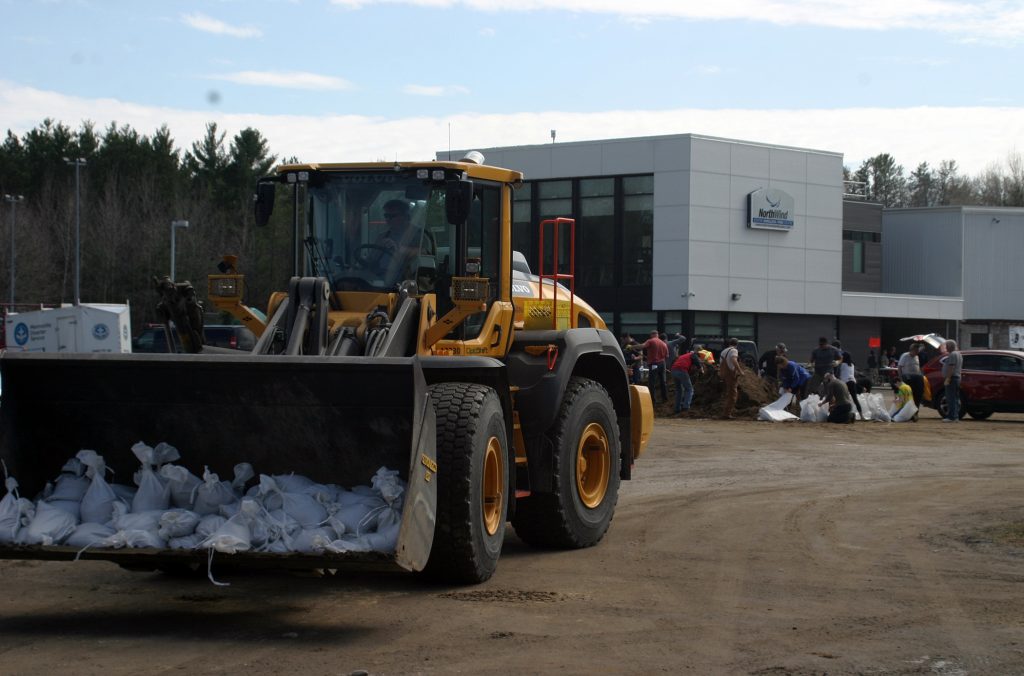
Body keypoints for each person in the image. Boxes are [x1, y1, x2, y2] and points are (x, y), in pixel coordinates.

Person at [370, 199, 432, 281]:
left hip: (406, 280)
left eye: (392, 216)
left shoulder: (419, 235)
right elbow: (371, 259)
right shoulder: (382, 236)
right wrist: (378, 249)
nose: (388, 219)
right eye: (386, 216)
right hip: (378, 278)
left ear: (405, 216)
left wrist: (398, 249)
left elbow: (425, 254)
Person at [631, 330, 669, 404]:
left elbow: (642, 346)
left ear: (652, 335)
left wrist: (632, 346)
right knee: (663, 382)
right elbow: (667, 356)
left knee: (652, 382)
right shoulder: (663, 344)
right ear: (657, 335)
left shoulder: (651, 341)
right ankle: (665, 399)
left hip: (654, 364)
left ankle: (653, 400)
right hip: (662, 363)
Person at [833, 340, 864, 420]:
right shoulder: (852, 365)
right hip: (852, 382)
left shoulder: (842, 364)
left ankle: (844, 414)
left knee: (842, 399)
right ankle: (862, 416)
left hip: (845, 383)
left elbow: (838, 364)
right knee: (855, 399)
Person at [670, 347, 704, 414]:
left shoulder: (685, 355)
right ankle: (686, 407)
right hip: (681, 370)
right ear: (698, 351)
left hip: (674, 370)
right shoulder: (693, 355)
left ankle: (677, 409)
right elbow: (697, 363)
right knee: (689, 389)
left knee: (679, 390)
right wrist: (702, 370)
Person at [897, 343, 925, 416]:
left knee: (917, 396)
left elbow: (918, 368)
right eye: (916, 351)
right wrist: (900, 379)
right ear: (911, 350)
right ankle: (907, 413)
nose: (917, 352)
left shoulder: (917, 357)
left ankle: (915, 413)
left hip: (917, 379)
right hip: (907, 379)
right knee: (908, 397)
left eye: (918, 351)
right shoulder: (905, 356)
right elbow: (899, 368)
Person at [940, 339, 963, 422]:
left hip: (952, 378)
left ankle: (951, 417)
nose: (946, 348)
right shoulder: (958, 354)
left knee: (950, 398)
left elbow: (951, 367)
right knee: (955, 398)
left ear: (950, 346)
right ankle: (955, 416)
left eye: (947, 346)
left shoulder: (953, 354)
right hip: (956, 378)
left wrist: (948, 378)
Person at [719, 337, 741, 419]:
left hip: (724, 374)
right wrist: (740, 371)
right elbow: (734, 360)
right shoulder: (734, 350)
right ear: (737, 344)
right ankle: (726, 414)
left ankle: (726, 412)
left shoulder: (724, 351)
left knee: (729, 393)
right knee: (732, 395)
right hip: (730, 375)